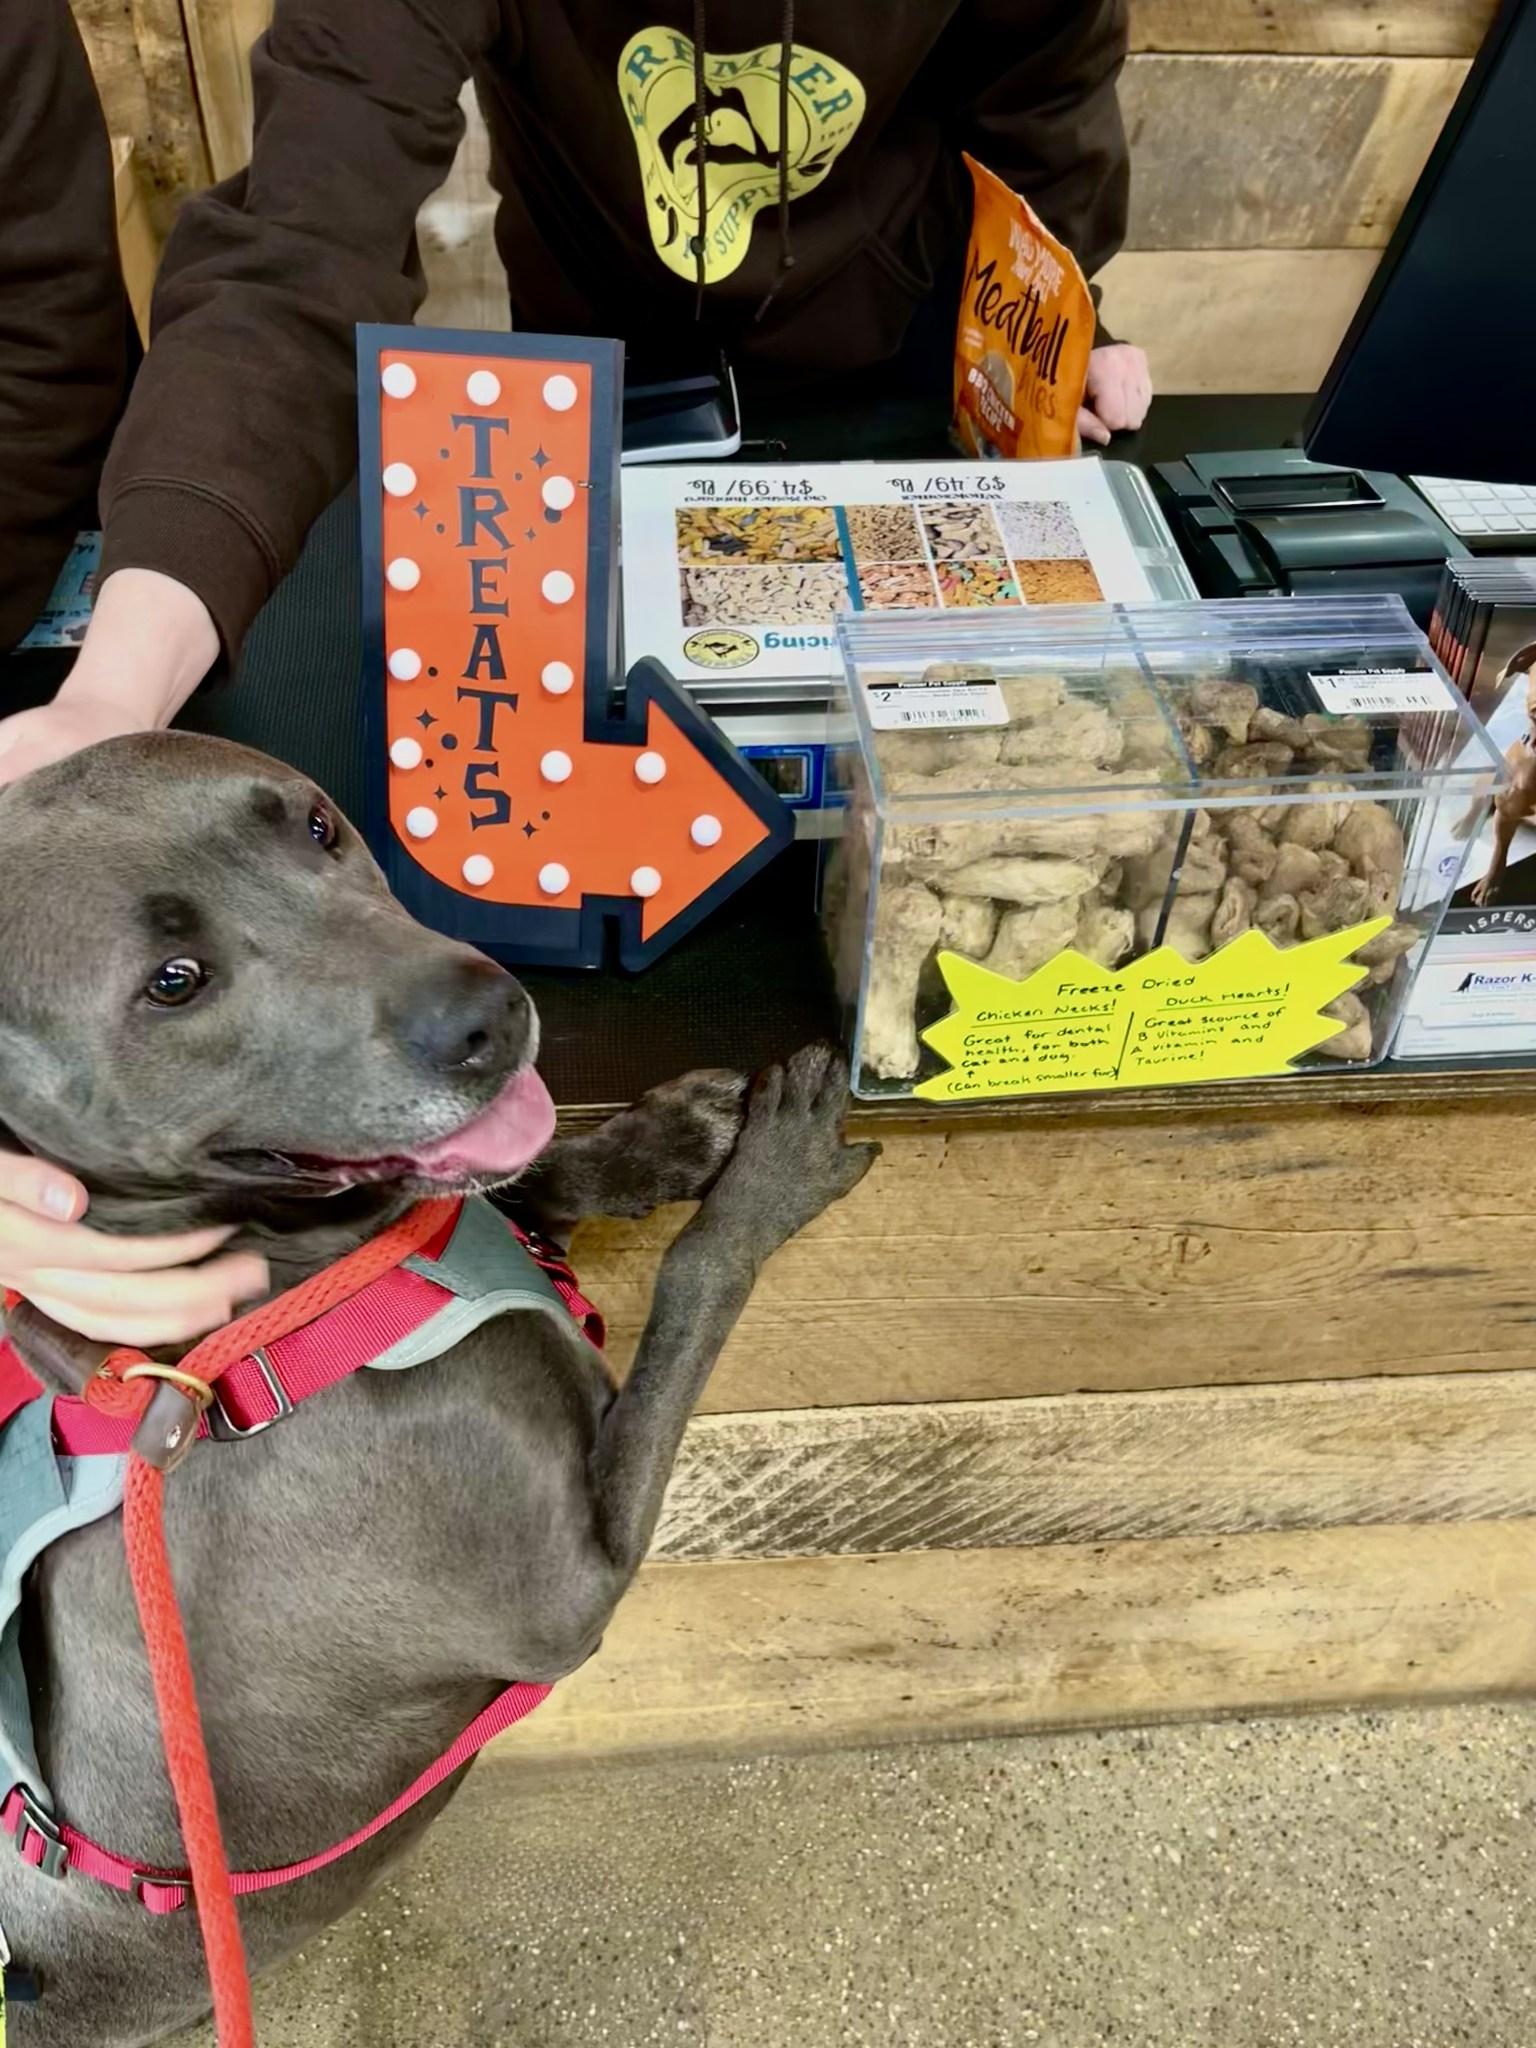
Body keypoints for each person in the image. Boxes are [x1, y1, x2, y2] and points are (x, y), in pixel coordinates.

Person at [0, 0, 1148, 1340]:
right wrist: (107, 702)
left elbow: (1042, 120)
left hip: (901, 382)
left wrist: (1058, 317)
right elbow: (300, 253)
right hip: (608, 369)